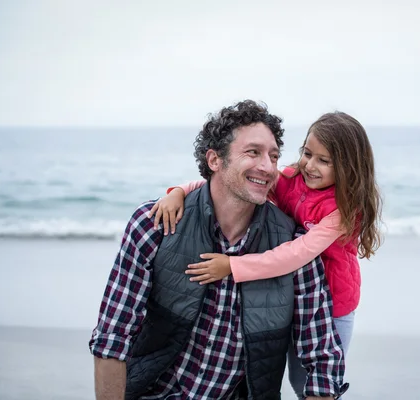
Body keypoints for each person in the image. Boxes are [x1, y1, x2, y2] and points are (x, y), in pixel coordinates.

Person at [89, 100, 348, 400]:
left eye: (274, 156)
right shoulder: (154, 226)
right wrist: (178, 193)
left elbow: (321, 362)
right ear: (215, 160)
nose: (268, 166)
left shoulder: (295, 247)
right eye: (253, 152)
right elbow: (112, 338)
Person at [151, 111, 382, 398]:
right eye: (307, 153)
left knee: (311, 383)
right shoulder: (291, 178)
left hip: (332, 304)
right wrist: (179, 192)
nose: (310, 166)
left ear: (348, 167)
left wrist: (233, 266)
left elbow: (294, 254)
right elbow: (231, 183)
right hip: (284, 294)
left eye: (324, 161)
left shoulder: (344, 210)